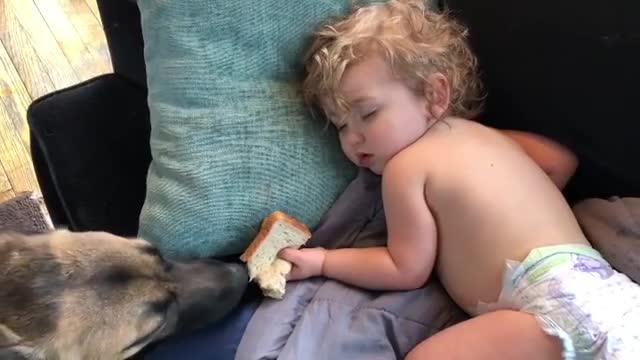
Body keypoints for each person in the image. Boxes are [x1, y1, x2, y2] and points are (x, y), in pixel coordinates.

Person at [278, 1, 640, 359]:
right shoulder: (488, 136)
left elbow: (404, 268)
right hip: (612, 294)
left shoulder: (407, 167)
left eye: (368, 114)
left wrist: (323, 261)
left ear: (434, 95)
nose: (353, 138)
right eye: (341, 125)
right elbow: (557, 165)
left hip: (550, 305)